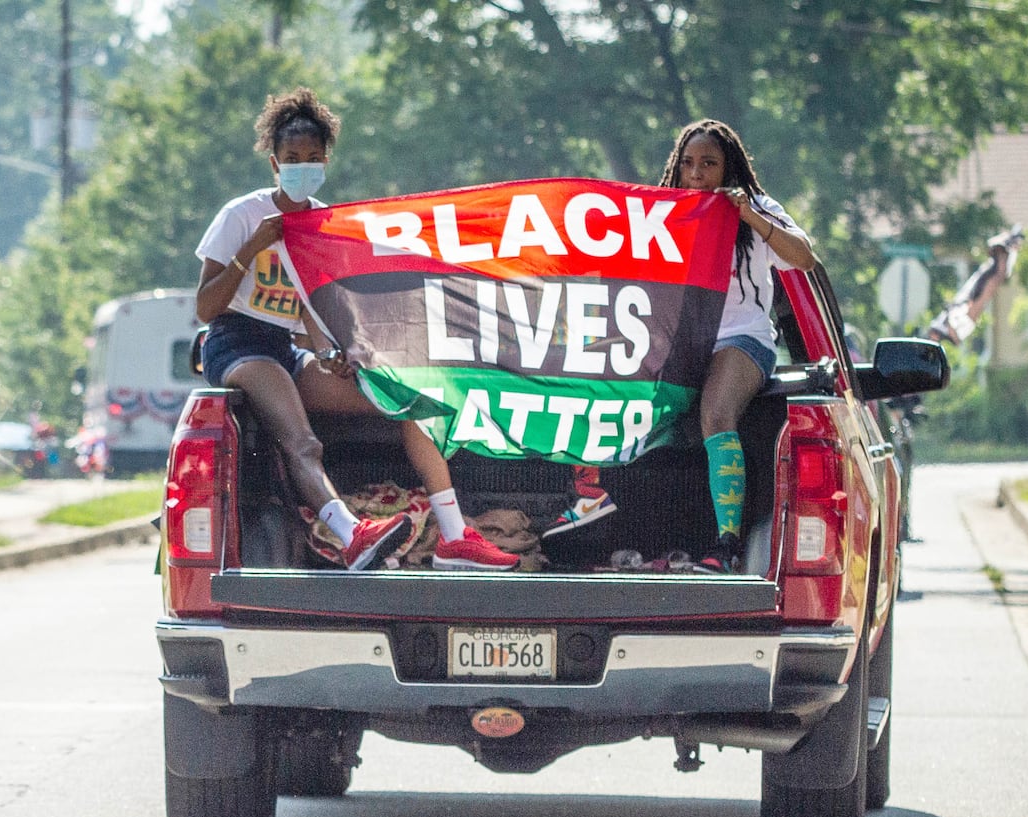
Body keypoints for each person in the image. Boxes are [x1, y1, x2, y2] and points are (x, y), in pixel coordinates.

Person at [194, 87, 518, 571]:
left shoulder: (323, 223)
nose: (302, 166)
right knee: (302, 441)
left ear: (326, 160)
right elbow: (205, 306)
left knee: (409, 402)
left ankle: (454, 536)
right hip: (237, 343)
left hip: (286, 348)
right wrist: (255, 245)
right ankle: (350, 535)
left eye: (313, 157)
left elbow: (309, 309)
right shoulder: (242, 215)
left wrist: (332, 353)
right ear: (274, 164)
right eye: (291, 158)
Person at [545, 118, 816, 573]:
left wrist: (747, 214)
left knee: (715, 415)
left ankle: (727, 544)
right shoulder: (661, 214)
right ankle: (591, 498)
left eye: (709, 164)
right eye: (688, 163)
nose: (696, 174)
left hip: (741, 340)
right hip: (674, 341)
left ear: (729, 168)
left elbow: (803, 256)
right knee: (590, 377)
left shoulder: (758, 207)